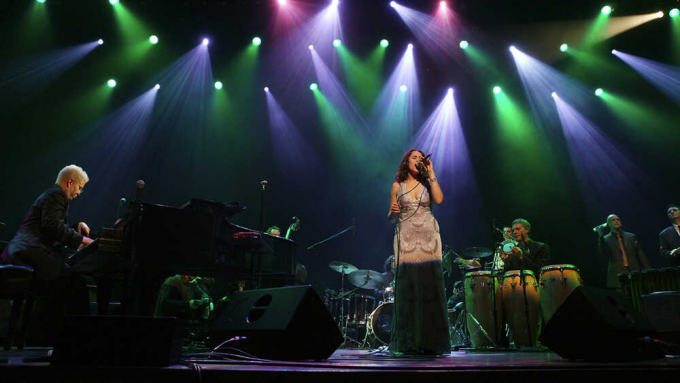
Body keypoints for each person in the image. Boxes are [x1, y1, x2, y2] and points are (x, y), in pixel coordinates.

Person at [0, 165, 93, 343]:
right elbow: (52, 226)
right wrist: (83, 241)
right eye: (80, 188)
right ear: (70, 182)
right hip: (28, 256)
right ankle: (82, 339)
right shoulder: (56, 195)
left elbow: (51, 225)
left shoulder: (49, 196)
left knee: (64, 284)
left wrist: (76, 227)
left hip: (21, 253)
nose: (80, 193)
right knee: (75, 282)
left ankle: (50, 339)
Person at [388, 149, 449, 355]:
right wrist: (393, 212)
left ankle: (431, 342)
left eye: (420, 158)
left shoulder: (427, 183)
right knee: (408, 287)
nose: (418, 160)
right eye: (414, 157)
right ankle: (408, 342)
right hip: (406, 235)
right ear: (406, 161)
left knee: (429, 286)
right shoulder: (397, 186)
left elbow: (439, 200)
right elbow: (390, 214)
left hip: (428, 236)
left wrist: (431, 173)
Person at [596, 214, 651, 289]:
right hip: (617, 275)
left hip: (634, 273)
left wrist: (648, 269)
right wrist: (600, 237)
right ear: (608, 224)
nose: (616, 221)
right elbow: (602, 253)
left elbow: (640, 254)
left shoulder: (631, 237)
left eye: (618, 220)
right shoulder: (605, 239)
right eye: (613, 220)